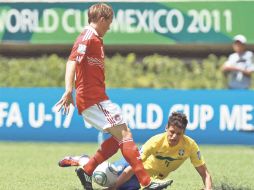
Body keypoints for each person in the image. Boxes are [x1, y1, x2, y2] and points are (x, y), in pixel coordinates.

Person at [55, 3, 171, 190]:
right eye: (109, 22)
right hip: (93, 99)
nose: (110, 27)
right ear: (102, 19)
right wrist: (69, 90)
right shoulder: (87, 37)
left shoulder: (96, 39)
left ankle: (87, 169)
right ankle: (146, 182)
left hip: (98, 97)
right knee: (125, 134)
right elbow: (72, 61)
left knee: (120, 139)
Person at [58, 112, 213, 190]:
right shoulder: (155, 142)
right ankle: (82, 160)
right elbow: (132, 167)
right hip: (133, 163)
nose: (173, 136)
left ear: (184, 132)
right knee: (103, 176)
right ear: (166, 128)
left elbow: (205, 173)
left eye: (178, 134)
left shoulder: (190, 146)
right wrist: (113, 187)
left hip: (145, 178)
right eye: (171, 132)